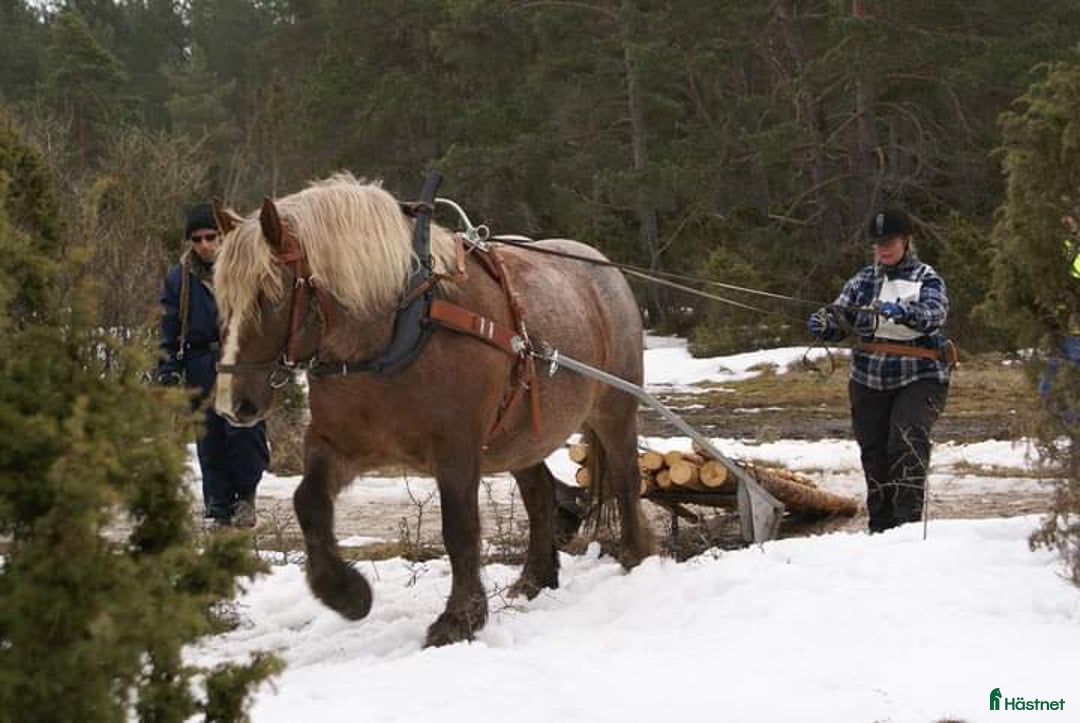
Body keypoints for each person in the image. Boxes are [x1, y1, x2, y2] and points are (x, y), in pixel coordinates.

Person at [807, 208, 953, 533]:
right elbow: (840, 317)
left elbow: (934, 314)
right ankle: (881, 526)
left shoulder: (926, 278)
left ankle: (908, 525)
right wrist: (825, 324)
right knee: (873, 451)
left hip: (919, 375)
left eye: (889, 242)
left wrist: (903, 312)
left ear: (906, 241)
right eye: (877, 243)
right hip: (868, 377)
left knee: (906, 440)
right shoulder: (863, 280)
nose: (883, 249)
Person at [157, 202, 269, 529]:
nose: (205, 244)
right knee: (210, 437)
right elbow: (169, 323)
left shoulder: (241, 268)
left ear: (222, 236)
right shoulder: (180, 278)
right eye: (197, 239)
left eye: (211, 236)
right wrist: (168, 368)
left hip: (238, 359)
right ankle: (218, 506)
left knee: (245, 429)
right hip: (200, 361)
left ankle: (245, 496)